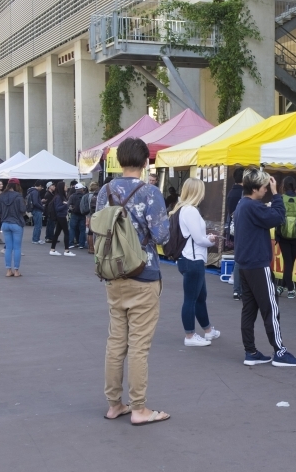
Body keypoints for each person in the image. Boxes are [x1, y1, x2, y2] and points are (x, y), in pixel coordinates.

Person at [96, 137, 171, 425]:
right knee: (139, 345)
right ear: (144, 162)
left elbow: (99, 226)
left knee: (116, 342)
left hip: (113, 274)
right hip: (144, 274)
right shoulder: (150, 192)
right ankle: (139, 408)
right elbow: (162, 236)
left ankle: (114, 404)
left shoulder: (105, 192)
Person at [233, 168, 296, 367]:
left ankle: (251, 351)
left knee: (249, 310)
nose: (266, 190)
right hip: (257, 264)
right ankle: (279, 352)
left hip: (246, 264)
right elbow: (278, 217)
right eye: (264, 187)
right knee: (270, 309)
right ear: (256, 188)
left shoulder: (243, 204)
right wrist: (276, 195)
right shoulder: (252, 206)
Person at [171, 178, 221, 347]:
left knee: (199, 297)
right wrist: (210, 240)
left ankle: (207, 331)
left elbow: (194, 238)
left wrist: (206, 239)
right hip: (193, 259)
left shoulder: (183, 209)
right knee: (192, 299)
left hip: (189, 258)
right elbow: (198, 239)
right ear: (196, 191)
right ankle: (190, 336)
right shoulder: (190, 210)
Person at [276, 176, 296, 299]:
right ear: (295, 186)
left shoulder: (280, 199)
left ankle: (281, 286)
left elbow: (277, 217)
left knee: (287, 262)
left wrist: (278, 234)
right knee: (290, 262)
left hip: (283, 235)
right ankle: (290, 288)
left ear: (283, 186)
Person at [0, 179, 27, 277]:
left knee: (8, 248)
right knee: (17, 248)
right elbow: (23, 210)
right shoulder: (18, 196)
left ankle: (8, 270)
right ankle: (16, 271)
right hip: (17, 223)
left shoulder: (1, 196)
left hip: (5, 223)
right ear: (17, 185)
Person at [225, 168, 244, 300]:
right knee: (240, 258)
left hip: (234, 227)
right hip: (242, 228)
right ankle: (237, 288)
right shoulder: (243, 193)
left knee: (239, 257)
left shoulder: (231, 193)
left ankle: (236, 284)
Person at [48, 182, 74, 256]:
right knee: (66, 232)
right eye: (65, 186)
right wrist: (66, 205)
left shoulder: (59, 196)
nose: (67, 187)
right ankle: (66, 250)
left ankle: (52, 249)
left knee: (57, 233)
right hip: (61, 216)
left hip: (60, 216)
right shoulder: (59, 197)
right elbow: (58, 208)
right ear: (62, 187)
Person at [68, 183, 87, 249]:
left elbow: (69, 205)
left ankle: (71, 243)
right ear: (81, 189)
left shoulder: (72, 196)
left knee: (72, 229)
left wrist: (71, 209)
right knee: (82, 230)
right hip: (83, 215)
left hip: (74, 214)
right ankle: (81, 244)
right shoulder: (84, 196)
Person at [84, 182, 99, 254]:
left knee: (89, 232)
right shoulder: (94, 196)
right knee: (92, 232)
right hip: (92, 215)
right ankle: (92, 247)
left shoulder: (87, 195)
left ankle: (90, 247)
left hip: (89, 214)